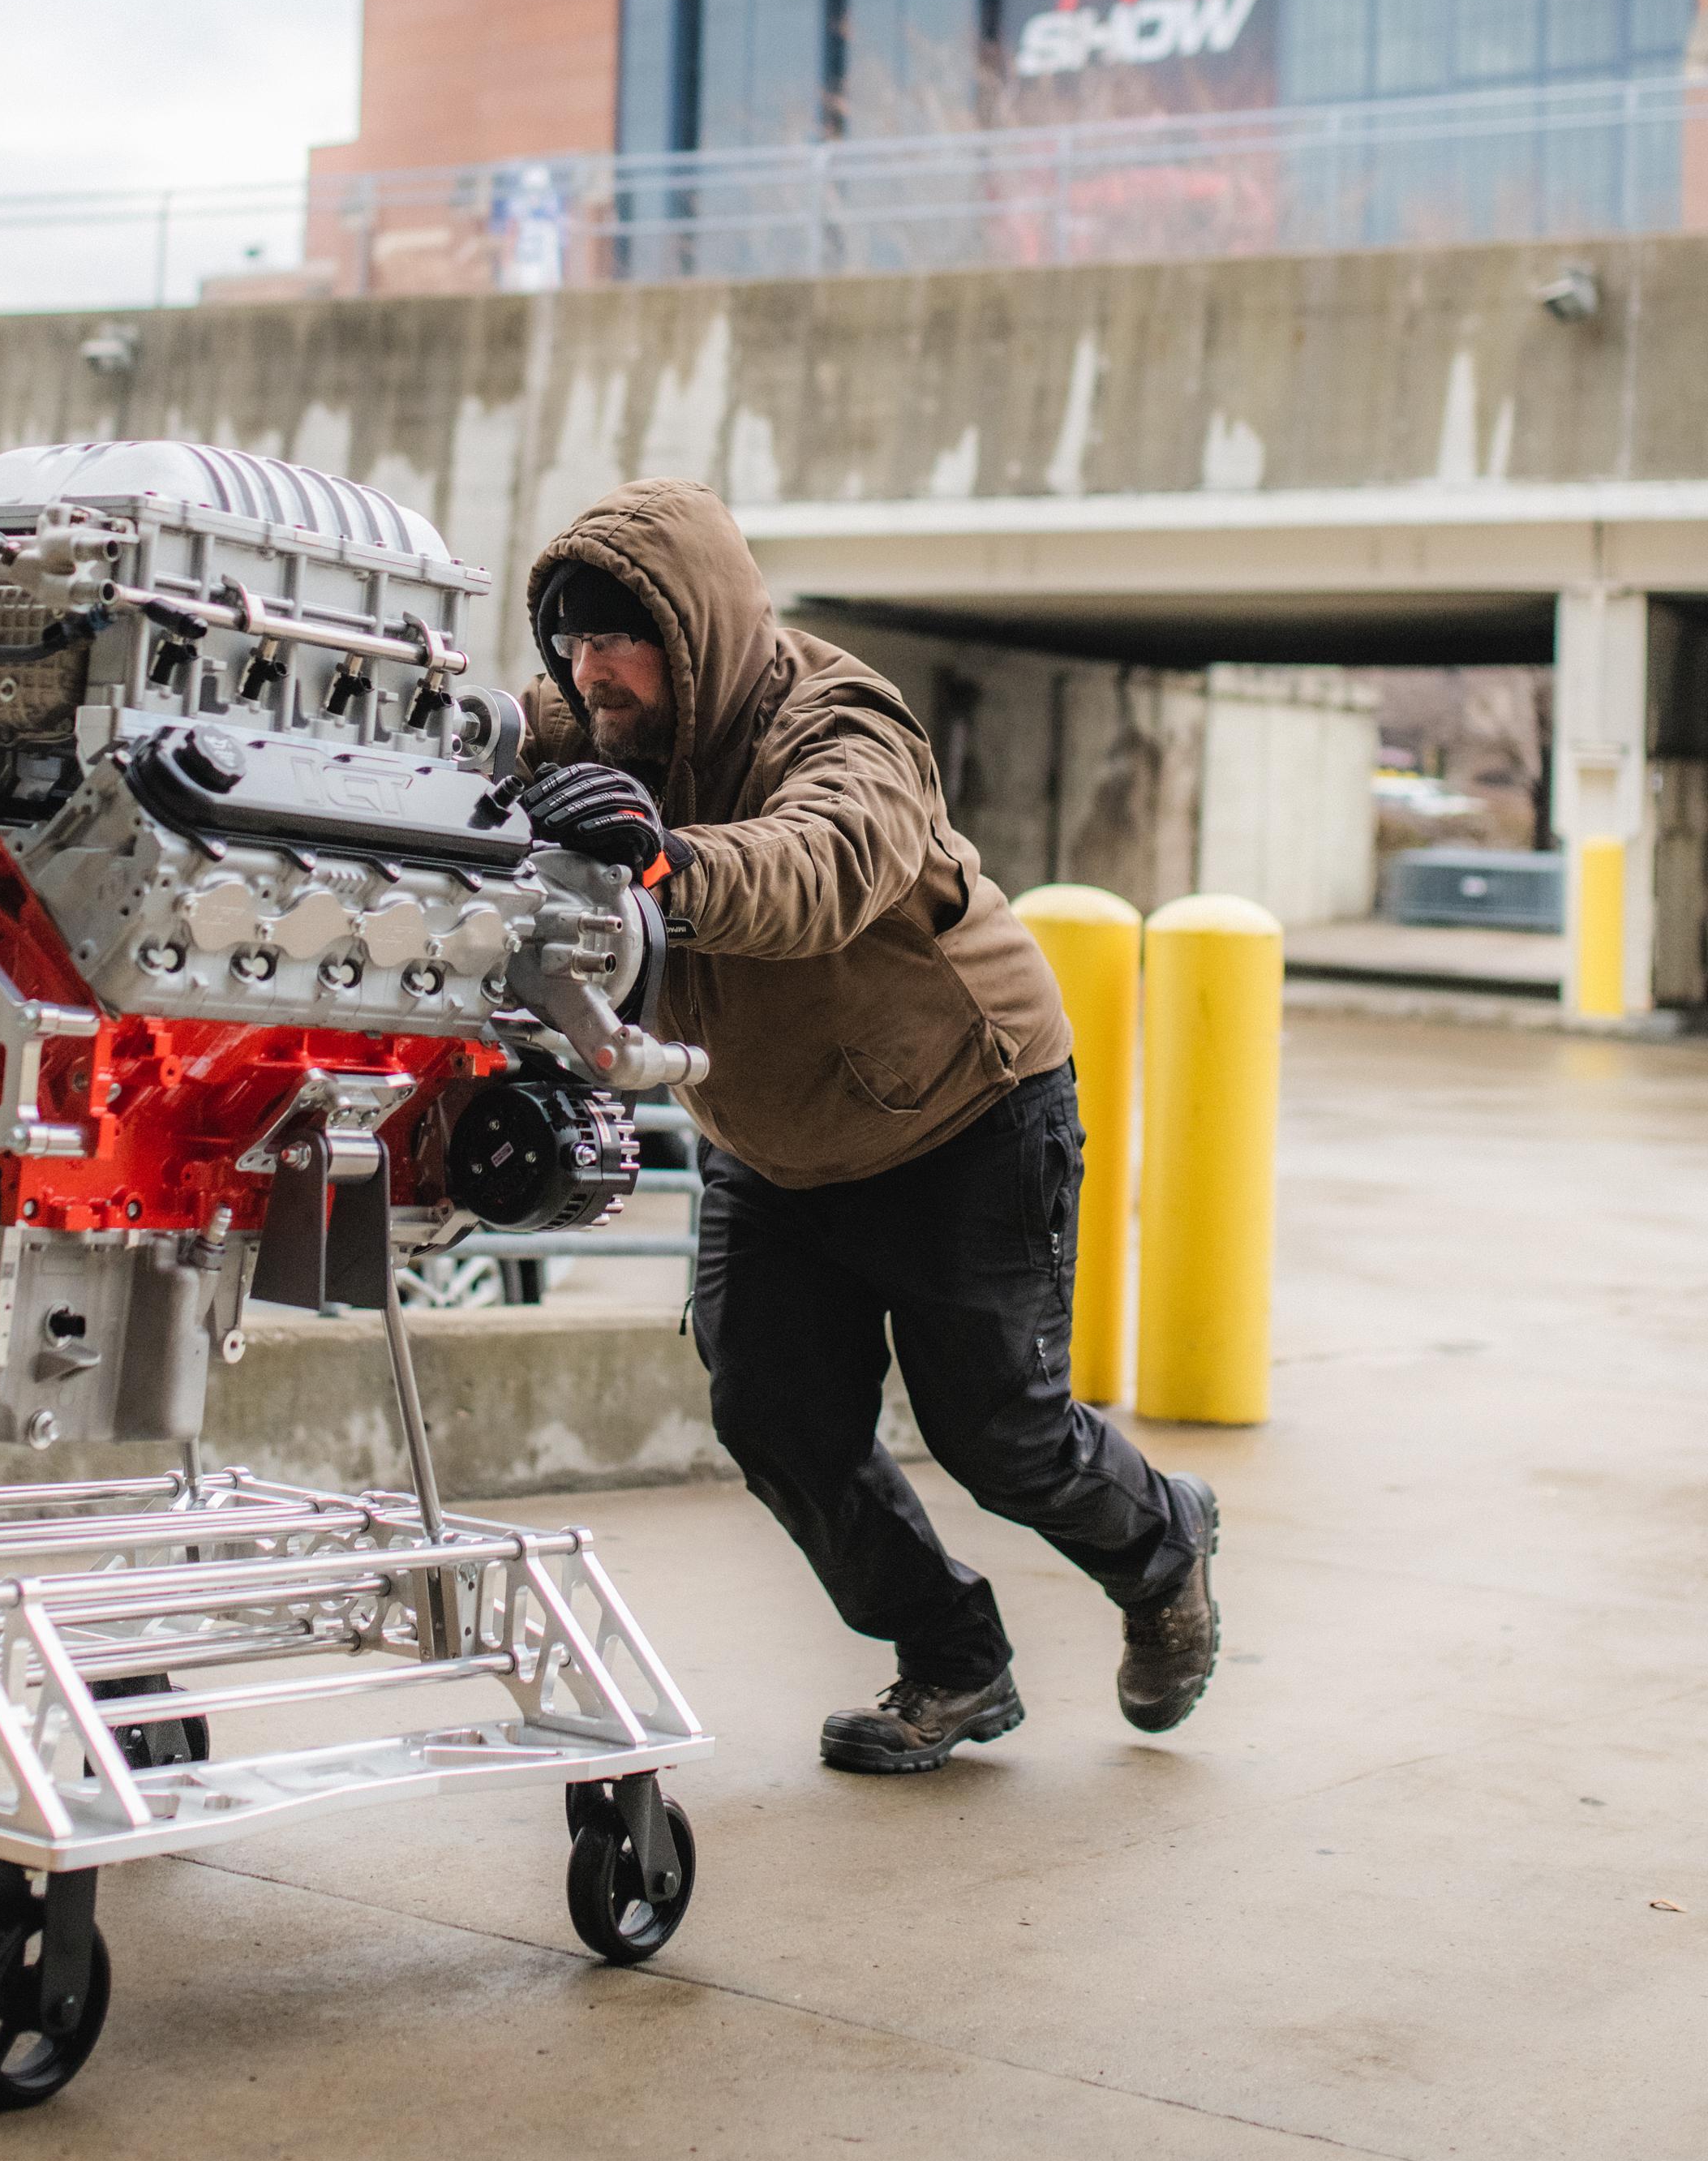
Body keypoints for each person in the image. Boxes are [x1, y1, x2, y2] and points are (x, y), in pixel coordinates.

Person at [515, 479, 1219, 1772]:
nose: (588, 667)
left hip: (961, 1111)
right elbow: (444, 774)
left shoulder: (841, 720)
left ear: (694, 629)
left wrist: (665, 861)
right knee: (773, 1417)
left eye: (616, 637)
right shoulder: (579, 728)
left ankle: (1161, 1544)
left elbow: (822, 862)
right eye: (568, 640)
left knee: (999, 1436)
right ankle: (952, 1661)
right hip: (769, 1134)